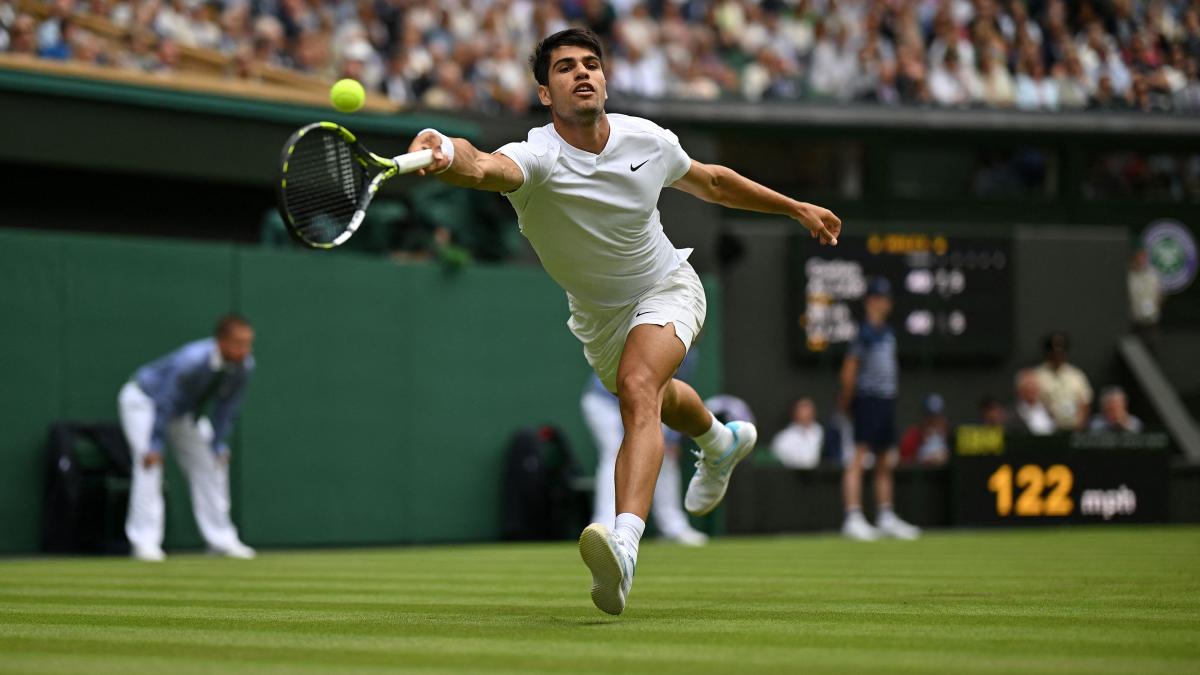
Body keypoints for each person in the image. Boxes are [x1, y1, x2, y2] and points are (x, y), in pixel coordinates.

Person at [403, 28, 841, 615]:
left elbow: (711, 181)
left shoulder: (647, 139)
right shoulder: (537, 156)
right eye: (564, 68)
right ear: (544, 92)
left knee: (638, 388)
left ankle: (625, 544)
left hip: (668, 286)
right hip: (598, 318)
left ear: (605, 78)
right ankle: (720, 439)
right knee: (656, 395)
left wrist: (795, 207)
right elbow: (482, 167)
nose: (582, 74)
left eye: (591, 64)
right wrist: (447, 152)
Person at [119, 313, 257, 562]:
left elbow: (226, 408)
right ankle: (144, 542)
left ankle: (222, 540)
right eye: (239, 343)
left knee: (212, 464)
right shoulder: (191, 361)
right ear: (221, 342)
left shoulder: (244, 367)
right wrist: (154, 444)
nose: (244, 350)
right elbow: (164, 401)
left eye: (248, 343)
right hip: (145, 402)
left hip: (183, 412)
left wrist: (217, 443)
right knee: (149, 465)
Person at [837, 278, 920, 541]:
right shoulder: (864, 333)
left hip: (886, 401)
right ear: (870, 301)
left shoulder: (888, 332)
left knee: (886, 459)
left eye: (886, 299)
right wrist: (850, 402)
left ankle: (885, 516)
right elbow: (849, 372)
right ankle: (852, 517)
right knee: (859, 458)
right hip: (867, 400)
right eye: (879, 298)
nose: (884, 303)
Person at [582, 373, 708, 547]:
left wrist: (671, 437)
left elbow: (677, 395)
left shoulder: (690, 355)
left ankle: (673, 527)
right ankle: (605, 526)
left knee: (665, 456)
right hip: (605, 402)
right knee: (615, 453)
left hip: (650, 404)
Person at [1033, 332, 1094, 431]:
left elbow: (1085, 402)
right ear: (1047, 353)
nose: (1057, 355)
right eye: (1054, 352)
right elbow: (1033, 404)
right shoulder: (1037, 375)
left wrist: (1080, 425)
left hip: (1074, 428)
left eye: (1061, 352)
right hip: (1047, 429)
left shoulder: (1076, 375)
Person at [770, 398, 824, 469]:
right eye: (803, 408)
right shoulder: (782, 438)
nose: (807, 412)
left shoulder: (819, 431)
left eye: (809, 408)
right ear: (795, 412)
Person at [1128, 247, 1163, 354]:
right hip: (1133, 324)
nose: (1142, 260)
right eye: (1139, 257)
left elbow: (1159, 294)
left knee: (1152, 352)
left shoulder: (1153, 275)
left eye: (1144, 257)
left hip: (1151, 323)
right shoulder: (1129, 276)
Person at [898, 393, 950, 466]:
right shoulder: (913, 436)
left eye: (937, 417)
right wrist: (922, 460)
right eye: (930, 418)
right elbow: (901, 461)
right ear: (924, 418)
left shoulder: (950, 436)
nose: (934, 422)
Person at [1012, 368, 1056, 435]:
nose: (1032, 389)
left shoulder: (1048, 409)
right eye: (1028, 386)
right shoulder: (1014, 414)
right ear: (1020, 390)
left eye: (1034, 385)